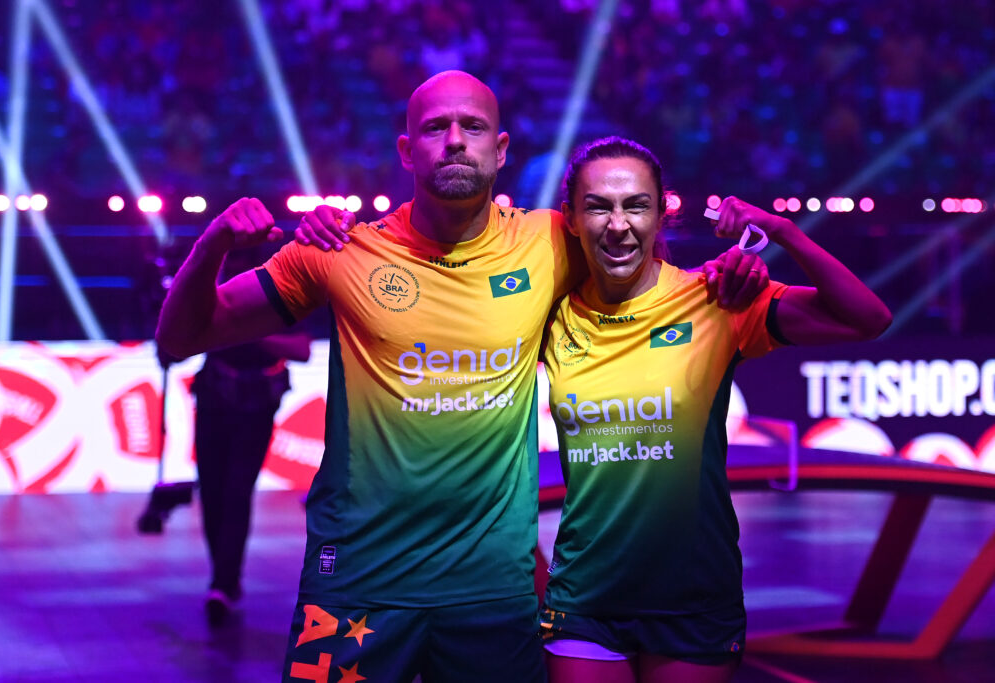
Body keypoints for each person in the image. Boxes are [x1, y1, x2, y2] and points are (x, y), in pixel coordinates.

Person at [157, 71, 764, 682]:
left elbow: (637, 248)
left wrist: (730, 272)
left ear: (499, 150)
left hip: (496, 597)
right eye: (435, 127)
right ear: (405, 150)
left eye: (472, 127)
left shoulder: (552, 241)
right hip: (355, 586)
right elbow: (181, 336)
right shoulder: (337, 251)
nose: (454, 141)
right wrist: (211, 245)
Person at [537, 136, 891, 682]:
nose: (618, 223)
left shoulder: (716, 300)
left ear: (661, 215)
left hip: (694, 595)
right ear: (573, 218)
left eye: (636, 205)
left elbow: (867, 318)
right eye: (598, 206)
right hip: (585, 596)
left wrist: (783, 232)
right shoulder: (551, 316)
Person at [190, 248, 311, 626]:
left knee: (236, 491)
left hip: (257, 405)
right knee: (211, 491)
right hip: (214, 398)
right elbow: (181, 340)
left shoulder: (284, 292)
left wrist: (251, 333)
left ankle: (223, 582)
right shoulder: (213, 291)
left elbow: (301, 349)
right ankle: (224, 579)